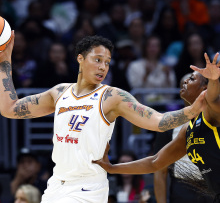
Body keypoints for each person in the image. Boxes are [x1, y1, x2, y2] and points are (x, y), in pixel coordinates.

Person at [0, 32, 206, 203]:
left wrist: (191, 110)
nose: (103, 67)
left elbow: (159, 122)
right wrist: (4, 61)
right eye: (97, 60)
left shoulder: (113, 97)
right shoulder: (59, 92)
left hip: (87, 187)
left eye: (107, 62)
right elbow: (9, 108)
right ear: (80, 58)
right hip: (56, 184)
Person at [93, 52, 220, 201]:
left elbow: (212, 97)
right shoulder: (188, 129)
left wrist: (214, 80)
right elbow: (155, 162)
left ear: (204, 88)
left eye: (191, 79)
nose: (185, 82)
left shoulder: (214, 113)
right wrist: (112, 168)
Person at [154, 73, 212, 203]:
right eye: (181, 85)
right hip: (183, 190)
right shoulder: (169, 123)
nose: (184, 86)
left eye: (190, 81)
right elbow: (159, 170)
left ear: (204, 88)